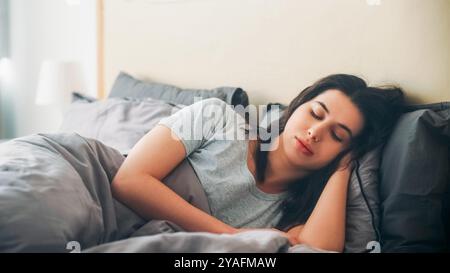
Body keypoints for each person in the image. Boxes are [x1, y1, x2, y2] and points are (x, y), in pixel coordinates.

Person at [111, 74, 404, 252]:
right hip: (95, 187)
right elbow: (129, 181)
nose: (315, 133)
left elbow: (320, 250)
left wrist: (344, 167)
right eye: (315, 113)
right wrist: (233, 235)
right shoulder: (217, 119)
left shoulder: (293, 214)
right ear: (297, 106)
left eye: (337, 135)